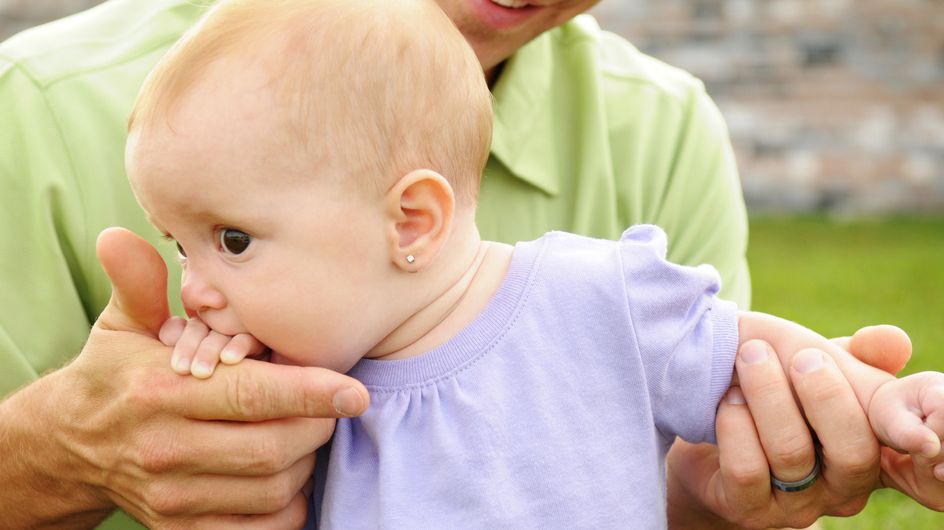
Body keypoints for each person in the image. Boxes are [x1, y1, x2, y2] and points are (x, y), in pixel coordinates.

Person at [0, 0, 924, 528]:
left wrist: (888, 413)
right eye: (178, 245)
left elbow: (756, 361)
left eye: (229, 243)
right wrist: (81, 445)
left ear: (413, 218)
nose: (196, 286)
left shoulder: (596, 291)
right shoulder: (303, 390)